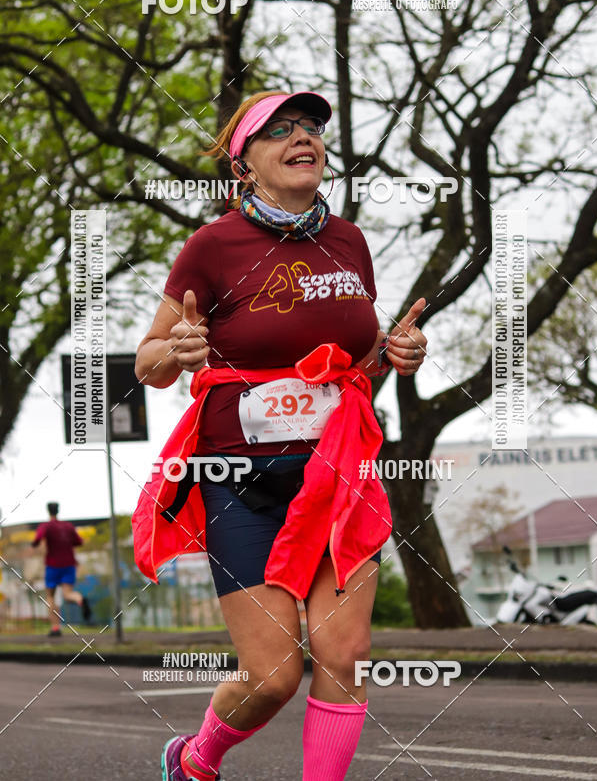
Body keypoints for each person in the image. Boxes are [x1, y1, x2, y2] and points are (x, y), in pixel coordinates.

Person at [133, 90, 427, 781]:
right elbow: (148, 362)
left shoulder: (349, 240)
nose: (303, 138)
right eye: (280, 131)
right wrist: (175, 350)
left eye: (311, 129)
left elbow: (356, 357)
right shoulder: (212, 246)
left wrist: (397, 352)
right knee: (272, 677)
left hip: (337, 474)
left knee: (343, 656)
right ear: (244, 166)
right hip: (240, 480)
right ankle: (196, 758)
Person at [31, 501, 92, 635]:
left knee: (51, 597)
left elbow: (37, 539)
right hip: (69, 565)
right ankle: (80, 600)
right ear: (58, 510)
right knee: (68, 594)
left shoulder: (45, 526)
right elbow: (79, 541)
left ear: (48, 511)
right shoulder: (68, 527)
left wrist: (35, 543)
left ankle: (55, 628)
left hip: (53, 566)